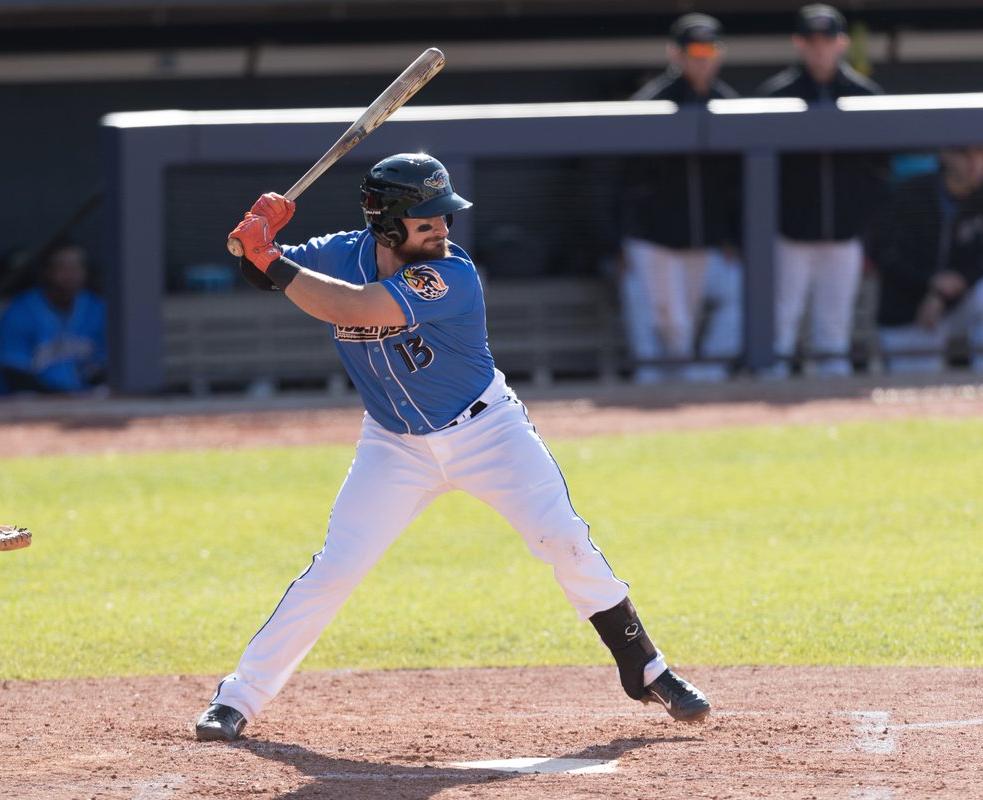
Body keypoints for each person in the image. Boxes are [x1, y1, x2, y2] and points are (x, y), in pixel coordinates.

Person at [195, 153, 711, 743]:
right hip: (394, 445)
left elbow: (350, 306)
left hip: (488, 433)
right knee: (335, 568)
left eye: (445, 217)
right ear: (387, 224)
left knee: (563, 536)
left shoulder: (452, 274)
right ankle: (237, 698)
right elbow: (268, 275)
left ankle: (647, 669)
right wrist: (255, 242)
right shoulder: (344, 252)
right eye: (427, 219)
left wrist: (271, 257)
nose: (443, 229)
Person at [756, 4, 886, 377]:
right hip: (790, 235)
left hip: (843, 234)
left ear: (841, 43)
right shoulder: (776, 95)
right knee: (781, 321)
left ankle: (832, 404)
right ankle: (766, 399)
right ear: (798, 43)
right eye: (811, 41)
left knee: (834, 326)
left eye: (826, 40)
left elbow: (879, 172)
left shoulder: (864, 94)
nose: (819, 48)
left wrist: (863, 221)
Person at [621, 13, 742, 383]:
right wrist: (621, 238)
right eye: (694, 50)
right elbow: (623, 181)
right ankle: (674, 394)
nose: (702, 57)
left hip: (703, 241)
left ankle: (698, 384)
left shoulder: (728, 103)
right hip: (655, 239)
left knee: (697, 316)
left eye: (709, 49)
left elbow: (736, 182)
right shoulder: (651, 102)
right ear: (677, 53)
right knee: (671, 323)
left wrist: (731, 236)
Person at [868, 145, 983, 373]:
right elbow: (884, 253)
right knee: (913, 394)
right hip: (911, 311)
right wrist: (929, 283)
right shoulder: (911, 194)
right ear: (944, 154)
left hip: (957, 303)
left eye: (980, 153)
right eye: (964, 153)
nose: (973, 162)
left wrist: (945, 290)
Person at [0, 242, 106, 395]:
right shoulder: (18, 312)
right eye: (63, 267)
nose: (70, 275)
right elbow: (14, 375)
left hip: (86, 402)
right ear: (46, 271)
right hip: (31, 405)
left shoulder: (97, 308)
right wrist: (61, 398)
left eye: (76, 267)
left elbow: (108, 369)